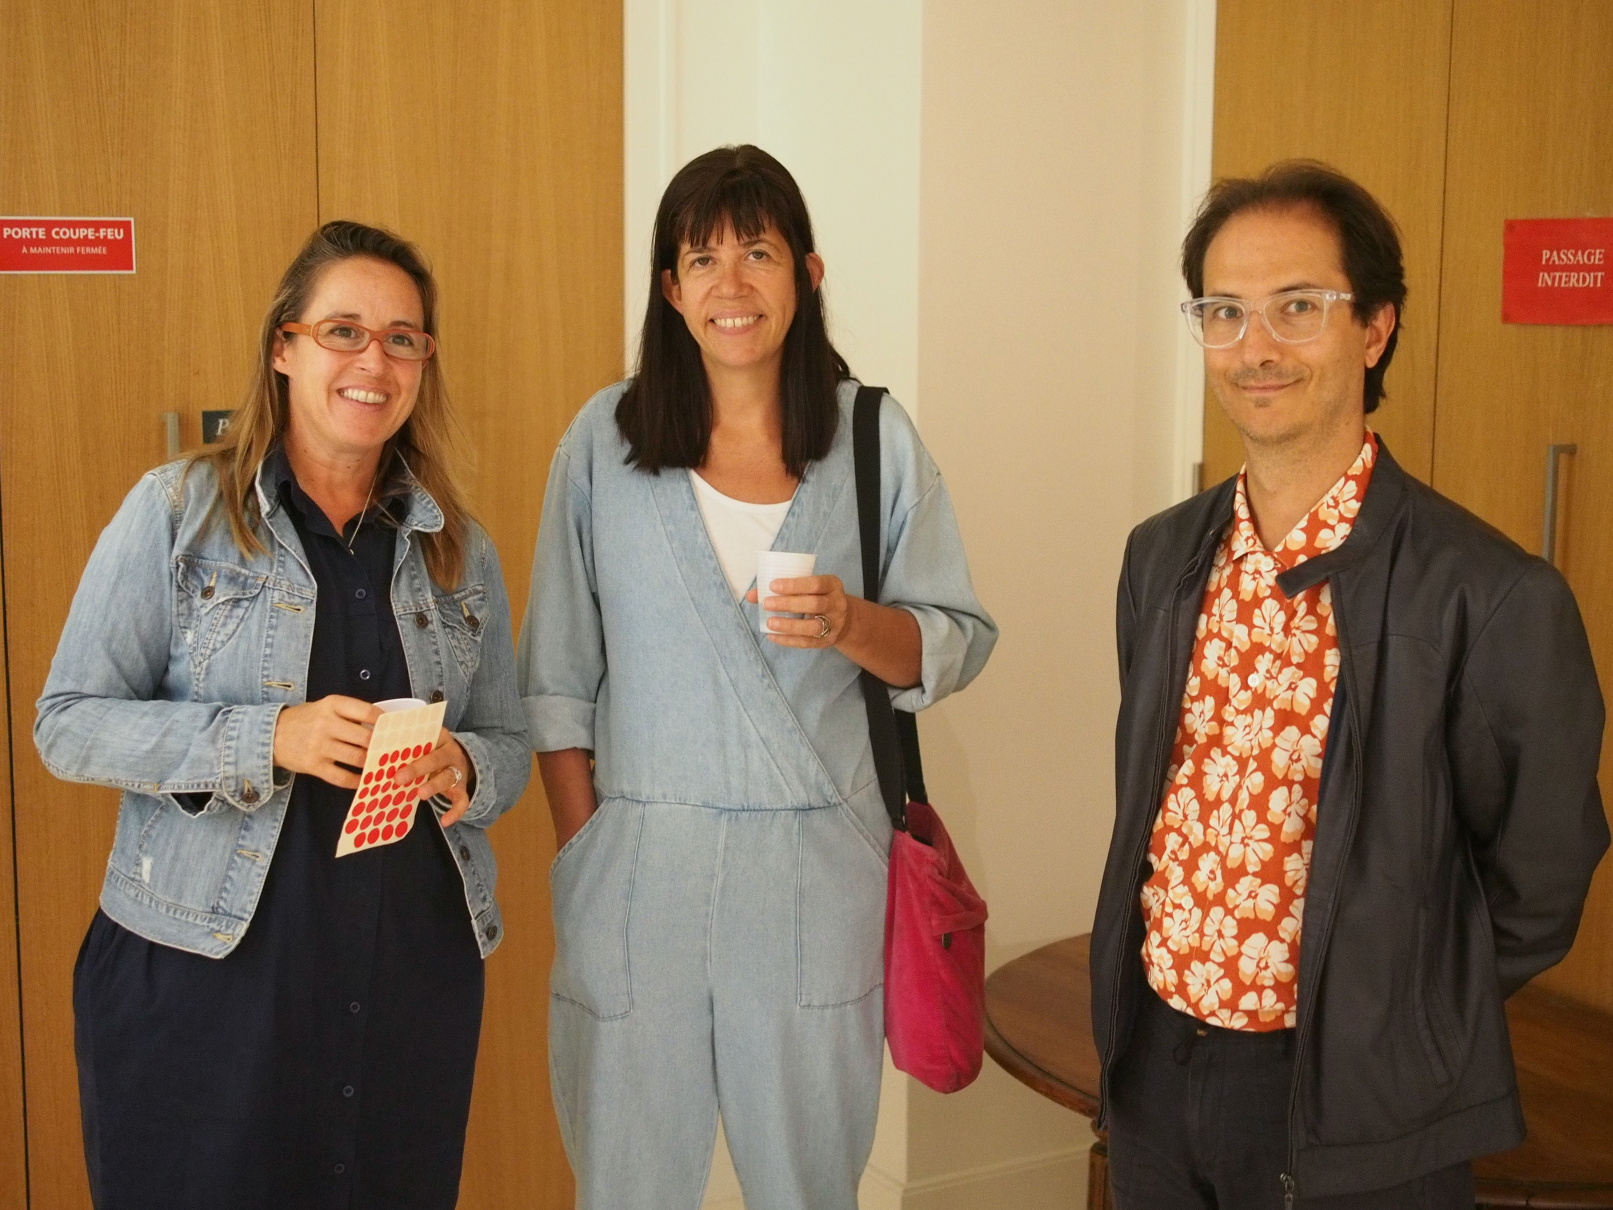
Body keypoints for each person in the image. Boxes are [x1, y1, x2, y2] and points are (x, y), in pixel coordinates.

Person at [1092, 160, 1609, 1209]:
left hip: (1354, 1102)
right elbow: (1153, 792)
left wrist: (1398, 1010)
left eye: (1297, 307)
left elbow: (1541, 873)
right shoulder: (1162, 556)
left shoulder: (1489, 595)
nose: (1254, 347)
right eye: (1223, 312)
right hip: (1153, 1069)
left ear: (1373, 329)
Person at [519, 144, 997, 1210]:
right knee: (627, 1179)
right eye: (702, 259)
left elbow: (955, 638)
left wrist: (852, 622)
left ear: (807, 275)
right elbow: (555, 676)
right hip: (638, 868)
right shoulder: (602, 440)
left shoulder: (871, 436)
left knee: (807, 1181)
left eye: (758, 253)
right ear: (669, 288)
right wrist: (587, 850)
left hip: (817, 866)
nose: (730, 284)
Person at [35, 220, 530, 1210]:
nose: (374, 361)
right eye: (343, 331)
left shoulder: (457, 549)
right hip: (210, 977)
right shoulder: (178, 511)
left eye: (402, 339)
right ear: (283, 348)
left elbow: (509, 742)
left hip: (406, 979)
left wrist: (466, 767)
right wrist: (268, 737)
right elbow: (69, 723)